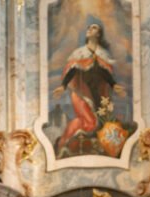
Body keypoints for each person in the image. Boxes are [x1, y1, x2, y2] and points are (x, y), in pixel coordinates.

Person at [53, 22, 126, 157]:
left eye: (94, 28)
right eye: (89, 27)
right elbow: (72, 70)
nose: (89, 29)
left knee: (100, 121)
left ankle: (95, 148)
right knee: (88, 121)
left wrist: (113, 85)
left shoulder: (102, 54)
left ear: (98, 34)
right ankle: (64, 141)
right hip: (81, 92)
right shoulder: (80, 53)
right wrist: (63, 86)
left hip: (98, 93)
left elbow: (105, 72)